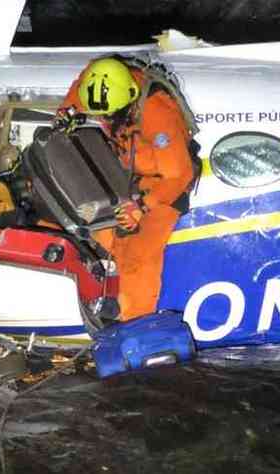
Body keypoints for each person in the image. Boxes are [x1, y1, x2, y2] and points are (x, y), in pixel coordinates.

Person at [56, 57, 195, 321]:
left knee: (138, 257)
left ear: (130, 99)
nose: (105, 120)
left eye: (111, 115)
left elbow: (179, 175)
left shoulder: (156, 110)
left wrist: (142, 206)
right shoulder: (97, 82)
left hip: (162, 184)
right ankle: (105, 297)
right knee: (101, 231)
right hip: (125, 173)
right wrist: (65, 115)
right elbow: (78, 93)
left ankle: (135, 321)